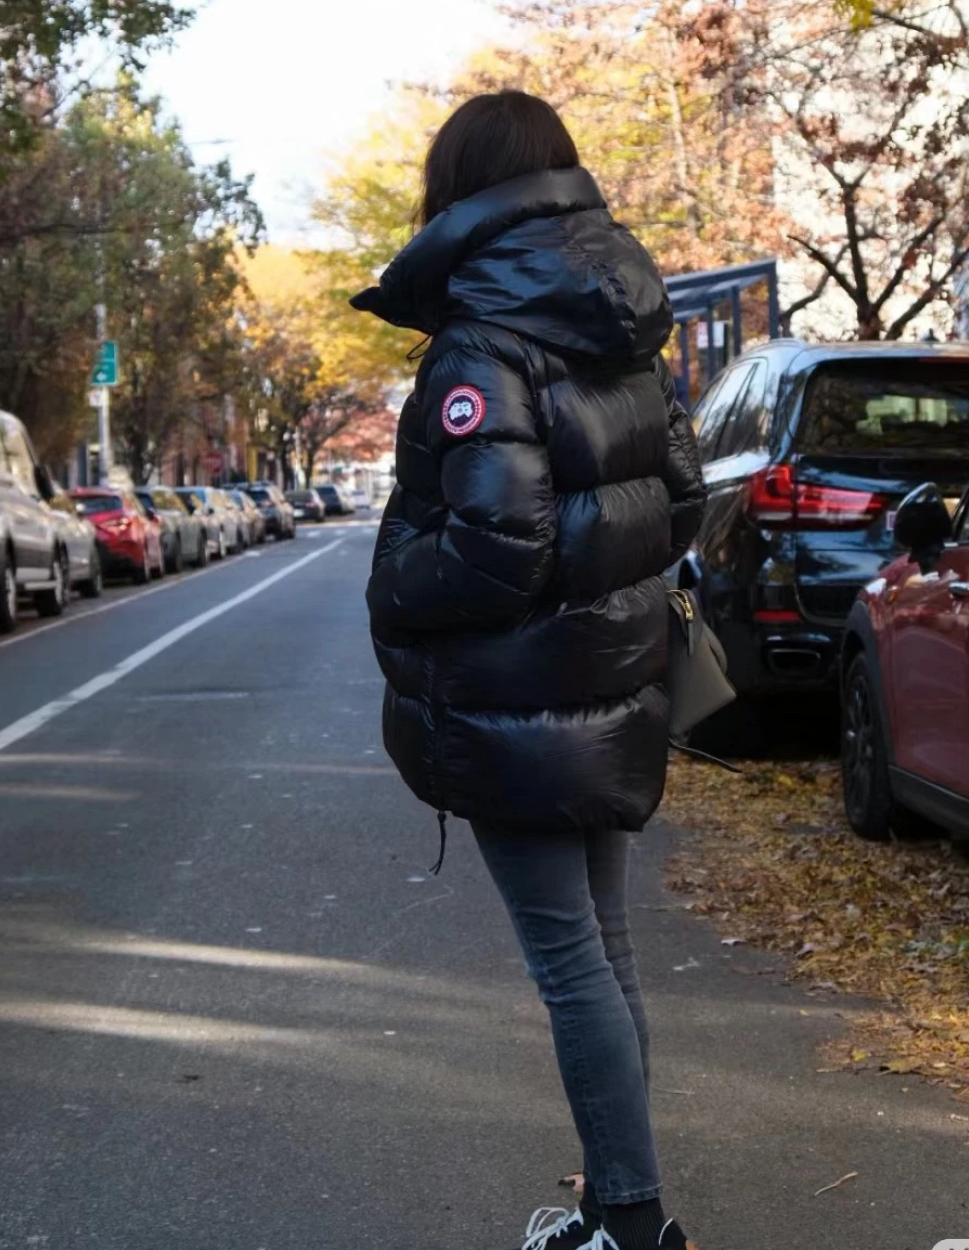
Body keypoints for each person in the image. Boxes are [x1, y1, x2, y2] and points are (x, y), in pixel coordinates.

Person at [353, 91, 707, 1250]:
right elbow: (682, 503)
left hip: (518, 699)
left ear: (458, 189)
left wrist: (392, 580)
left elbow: (496, 545)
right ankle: (619, 1210)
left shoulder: (483, 338)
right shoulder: (624, 321)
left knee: (571, 960)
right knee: (603, 950)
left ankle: (632, 1224)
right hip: (611, 675)